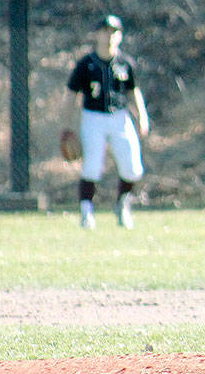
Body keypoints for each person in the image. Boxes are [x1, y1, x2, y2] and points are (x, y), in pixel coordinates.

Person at [64, 14, 150, 229]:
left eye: (114, 31)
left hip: (120, 117)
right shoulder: (86, 64)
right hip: (93, 117)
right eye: (105, 31)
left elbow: (134, 91)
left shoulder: (125, 63)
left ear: (120, 36)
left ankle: (122, 204)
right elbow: (71, 95)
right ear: (98, 34)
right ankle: (86, 212)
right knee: (91, 167)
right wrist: (67, 126)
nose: (109, 36)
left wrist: (142, 116)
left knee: (133, 168)